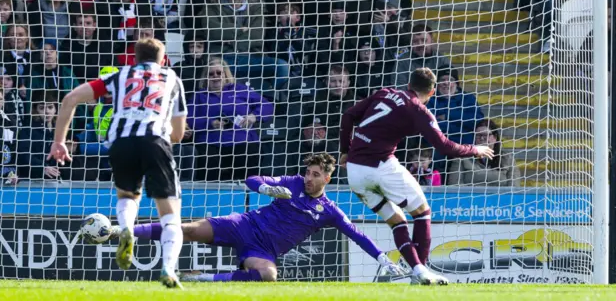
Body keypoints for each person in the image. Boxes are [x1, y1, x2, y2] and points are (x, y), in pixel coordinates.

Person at [80, 153, 405, 282]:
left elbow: (356, 234)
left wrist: (381, 257)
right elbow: (252, 178)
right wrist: (266, 189)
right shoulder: (291, 183)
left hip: (262, 251)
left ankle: (198, 278)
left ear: (327, 179)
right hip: (244, 225)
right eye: (308, 172)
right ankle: (120, 233)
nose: (308, 177)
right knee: (187, 229)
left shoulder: (330, 211)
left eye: (315, 174)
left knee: (269, 277)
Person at [47, 38, 188, 288]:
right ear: (162, 59)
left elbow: (70, 98)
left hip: (121, 141)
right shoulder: (172, 79)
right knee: (170, 216)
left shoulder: (119, 76)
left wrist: (59, 141)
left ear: (134, 58)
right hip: (155, 140)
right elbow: (177, 134)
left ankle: (126, 228)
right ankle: (168, 269)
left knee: (128, 195)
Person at [338, 67, 494, 285]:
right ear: (432, 93)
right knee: (422, 212)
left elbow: (348, 115)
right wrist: (474, 149)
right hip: (380, 166)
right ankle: (420, 272)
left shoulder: (384, 92)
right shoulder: (418, 109)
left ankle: (418, 271)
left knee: (397, 220)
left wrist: (345, 150)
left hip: (355, 171)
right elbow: (445, 146)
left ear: (409, 84)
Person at [447, 119, 520, 186]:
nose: (481, 138)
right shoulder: (461, 157)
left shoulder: (508, 159)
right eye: (478, 135)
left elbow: (514, 188)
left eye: (485, 135)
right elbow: (455, 185)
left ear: (494, 138)